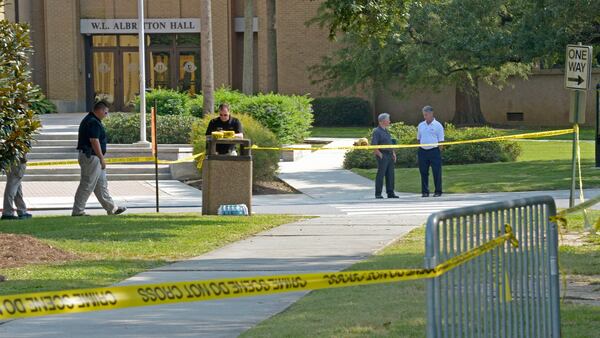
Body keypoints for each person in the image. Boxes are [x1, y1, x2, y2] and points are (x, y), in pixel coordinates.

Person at [72, 101, 126, 216]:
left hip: (94, 157)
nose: (106, 115)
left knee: (101, 185)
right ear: (100, 110)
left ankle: (112, 208)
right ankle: (78, 211)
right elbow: (94, 140)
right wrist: (101, 158)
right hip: (91, 157)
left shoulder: (92, 120)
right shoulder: (93, 122)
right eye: (106, 112)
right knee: (87, 184)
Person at [417, 105, 444, 197]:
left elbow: (441, 141)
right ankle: (425, 191)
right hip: (422, 151)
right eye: (424, 115)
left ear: (431, 114)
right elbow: (419, 138)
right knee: (423, 172)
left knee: (436, 172)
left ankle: (438, 191)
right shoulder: (421, 125)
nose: (425, 116)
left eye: (426, 114)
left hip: (434, 151)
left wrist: (438, 152)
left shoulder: (438, 125)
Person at [371, 113, 399, 199]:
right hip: (383, 154)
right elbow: (374, 145)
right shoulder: (377, 131)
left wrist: (393, 153)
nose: (390, 121)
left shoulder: (386, 131)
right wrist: (379, 154)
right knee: (381, 174)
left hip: (389, 154)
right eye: (388, 120)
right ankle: (378, 193)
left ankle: (390, 192)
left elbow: (389, 143)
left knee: (390, 174)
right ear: (383, 121)